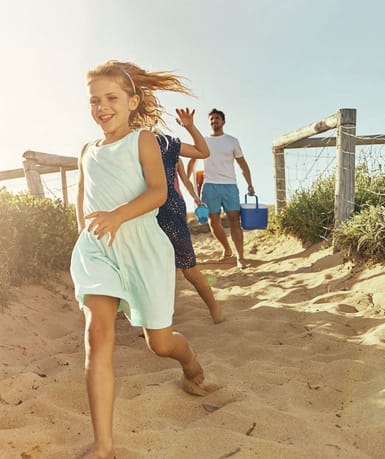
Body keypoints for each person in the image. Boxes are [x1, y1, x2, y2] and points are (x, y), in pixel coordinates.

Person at [70, 60, 217, 459]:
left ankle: (190, 363)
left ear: (133, 101)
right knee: (96, 336)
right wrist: (83, 234)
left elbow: (156, 192)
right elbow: (82, 200)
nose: (102, 107)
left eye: (112, 98)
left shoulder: (144, 141)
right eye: (95, 100)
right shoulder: (86, 150)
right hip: (98, 250)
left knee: (160, 344)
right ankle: (104, 445)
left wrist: (117, 216)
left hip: (143, 248)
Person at [155, 109, 223, 324]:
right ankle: (156, 322)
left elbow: (188, 173)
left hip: (171, 210)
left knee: (189, 269)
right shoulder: (126, 147)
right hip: (144, 213)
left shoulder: (167, 145)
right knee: (153, 269)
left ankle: (214, 309)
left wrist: (195, 197)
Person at [187, 108, 254, 269]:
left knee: (234, 220)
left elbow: (242, 163)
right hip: (209, 186)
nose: (214, 121)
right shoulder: (203, 141)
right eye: (211, 119)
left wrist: (250, 183)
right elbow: (191, 162)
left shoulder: (232, 141)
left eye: (217, 118)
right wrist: (187, 181)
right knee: (213, 222)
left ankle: (241, 257)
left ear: (223, 121)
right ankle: (227, 249)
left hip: (230, 186)